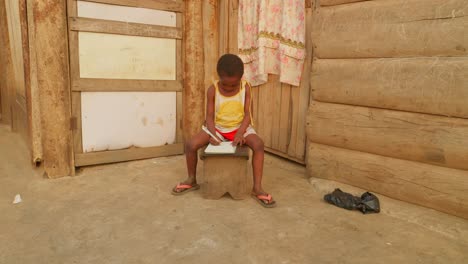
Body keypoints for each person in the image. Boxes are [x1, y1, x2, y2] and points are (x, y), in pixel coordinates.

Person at [172, 54, 276, 208]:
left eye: (232, 86)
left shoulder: (246, 88)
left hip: (240, 128)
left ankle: (257, 188)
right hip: (218, 129)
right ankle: (191, 180)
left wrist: (240, 133)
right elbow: (209, 116)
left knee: (259, 145)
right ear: (218, 77)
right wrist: (213, 134)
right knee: (191, 144)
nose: (228, 88)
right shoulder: (212, 90)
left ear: (241, 78)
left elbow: (248, 115)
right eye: (224, 85)